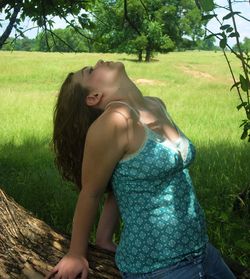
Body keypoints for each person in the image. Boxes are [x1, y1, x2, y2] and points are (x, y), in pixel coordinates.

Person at [45, 59, 236, 279]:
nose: (98, 62)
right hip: (160, 267)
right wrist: (76, 254)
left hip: (202, 251)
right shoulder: (114, 122)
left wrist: (103, 238)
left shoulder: (155, 105)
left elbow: (125, 181)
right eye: (90, 71)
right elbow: (91, 192)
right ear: (93, 97)